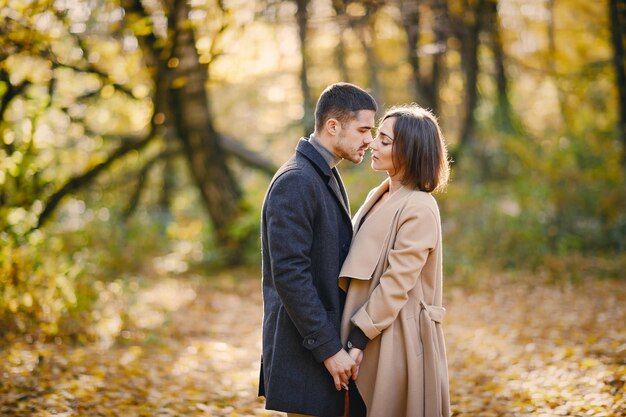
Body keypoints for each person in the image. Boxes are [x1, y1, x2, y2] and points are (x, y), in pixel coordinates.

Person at [259, 82, 377, 417]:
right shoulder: (296, 180)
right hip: (304, 351)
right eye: (364, 129)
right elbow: (290, 275)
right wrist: (328, 350)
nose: (369, 140)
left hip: (321, 347)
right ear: (333, 126)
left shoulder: (323, 174)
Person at [339, 105, 451, 417]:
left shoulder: (419, 207)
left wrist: (357, 340)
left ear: (411, 151)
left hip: (395, 339)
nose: (373, 144)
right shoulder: (382, 192)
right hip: (365, 328)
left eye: (385, 142)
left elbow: (396, 283)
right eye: (377, 137)